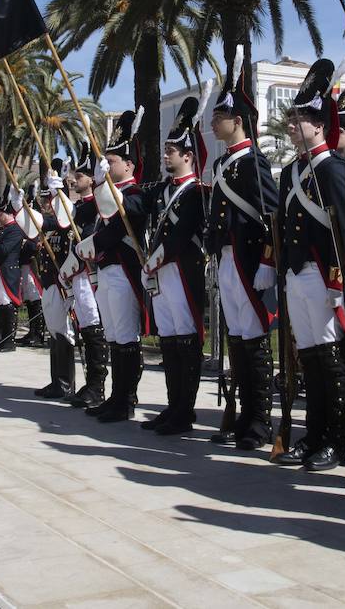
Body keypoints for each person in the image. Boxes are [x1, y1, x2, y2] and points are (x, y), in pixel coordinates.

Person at [275, 61, 345, 472]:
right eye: (290, 118)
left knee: (329, 359)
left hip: (323, 276)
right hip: (296, 274)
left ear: (320, 125)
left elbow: (341, 231)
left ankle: (334, 440)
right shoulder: (292, 172)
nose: (291, 125)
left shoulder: (333, 169)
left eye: (299, 119)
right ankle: (314, 434)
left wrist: (338, 281)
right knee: (309, 359)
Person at [205, 55, 279, 450]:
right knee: (237, 339)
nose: (214, 123)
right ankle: (242, 417)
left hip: (248, 259)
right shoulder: (222, 163)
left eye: (220, 117)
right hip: (227, 259)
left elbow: (271, 215)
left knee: (253, 339)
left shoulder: (252, 163)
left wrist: (267, 260)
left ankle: (259, 422)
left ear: (237, 120)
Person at [75, 110, 150, 423]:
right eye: (105, 161)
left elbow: (116, 223)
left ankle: (126, 400)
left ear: (129, 165)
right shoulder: (108, 193)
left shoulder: (134, 194)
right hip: (106, 270)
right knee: (114, 336)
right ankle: (116, 397)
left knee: (126, 336)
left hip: (124, 270)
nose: (107, 165)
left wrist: (93, 243)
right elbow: (80, 214)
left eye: (113, 161)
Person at [141, 99, 210, 437]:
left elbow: (183, 234)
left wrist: (158, 257)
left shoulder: (196, 192)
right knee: (168, 339)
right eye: (166, 150)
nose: (166, 155)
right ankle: (172, 405)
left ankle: (185, 410)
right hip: (161, 273)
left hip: (182, 269)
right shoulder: (161, 190)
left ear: (188, 155)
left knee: (185, 338)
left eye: (171, 151)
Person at [59, 147, 109, 409]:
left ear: (91, 179)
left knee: (93, 327)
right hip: (77, 274)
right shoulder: (79, 206)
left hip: (90, 273)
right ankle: (91, 383)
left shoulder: (96, 205)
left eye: (79, 176)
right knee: (86, 328)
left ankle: (97, 386)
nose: (74, 180)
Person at [33, 162, 77, 399]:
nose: (46, 204)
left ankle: (65, 383)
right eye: (44, 200)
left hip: (62, 285)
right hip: (49, 283)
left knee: (64, 332)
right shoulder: (50, 227)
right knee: (54, 330)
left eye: (49, 199)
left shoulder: (66, 224)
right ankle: (56, 380)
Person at [0, 196, 24, 352]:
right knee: (1, 304)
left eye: (0, 213)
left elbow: (4, 250)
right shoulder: (5, 230)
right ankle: (3, 338)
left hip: (8, 271)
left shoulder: (14, 230)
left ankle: (9, 341)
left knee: (8, 304)